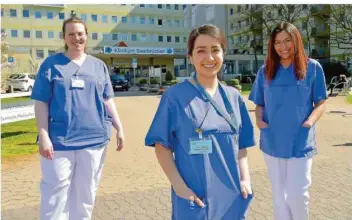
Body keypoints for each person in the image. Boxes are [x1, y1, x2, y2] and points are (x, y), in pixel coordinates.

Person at [145, 24, 256, 220]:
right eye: (201, 51)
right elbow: (162, 147)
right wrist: (180, 188)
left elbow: (242, 146)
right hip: (194, 196)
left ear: (223, 54)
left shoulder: (233, 96)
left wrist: (245, 179)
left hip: (231, 194)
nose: (209, 57)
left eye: (215, 50)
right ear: (191, 57)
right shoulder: (175, 97)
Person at [31, 17, 124, 220]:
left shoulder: (99, 66)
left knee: (86, 191)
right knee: (55, 192)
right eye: (71, 33)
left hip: (94, 140)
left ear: (86, 36)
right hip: (59, 141)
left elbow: (108, 100)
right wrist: (43, 136)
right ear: (64, 37)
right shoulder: (51, 64)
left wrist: (120, 127)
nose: (76, 38)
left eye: (80, 33)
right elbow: (41, 103)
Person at [249, 22, 327, 220]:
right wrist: (259, 121)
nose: (282, 47)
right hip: (273, 140)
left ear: (296, 40)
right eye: (277, 43)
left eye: (287, 41)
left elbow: (320, 102)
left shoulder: (312, 68)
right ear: (272, 46)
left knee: (297, 195)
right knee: (279, 196)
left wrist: (309, 122)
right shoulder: (265, 70)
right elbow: (259, 103)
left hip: (300, 140)